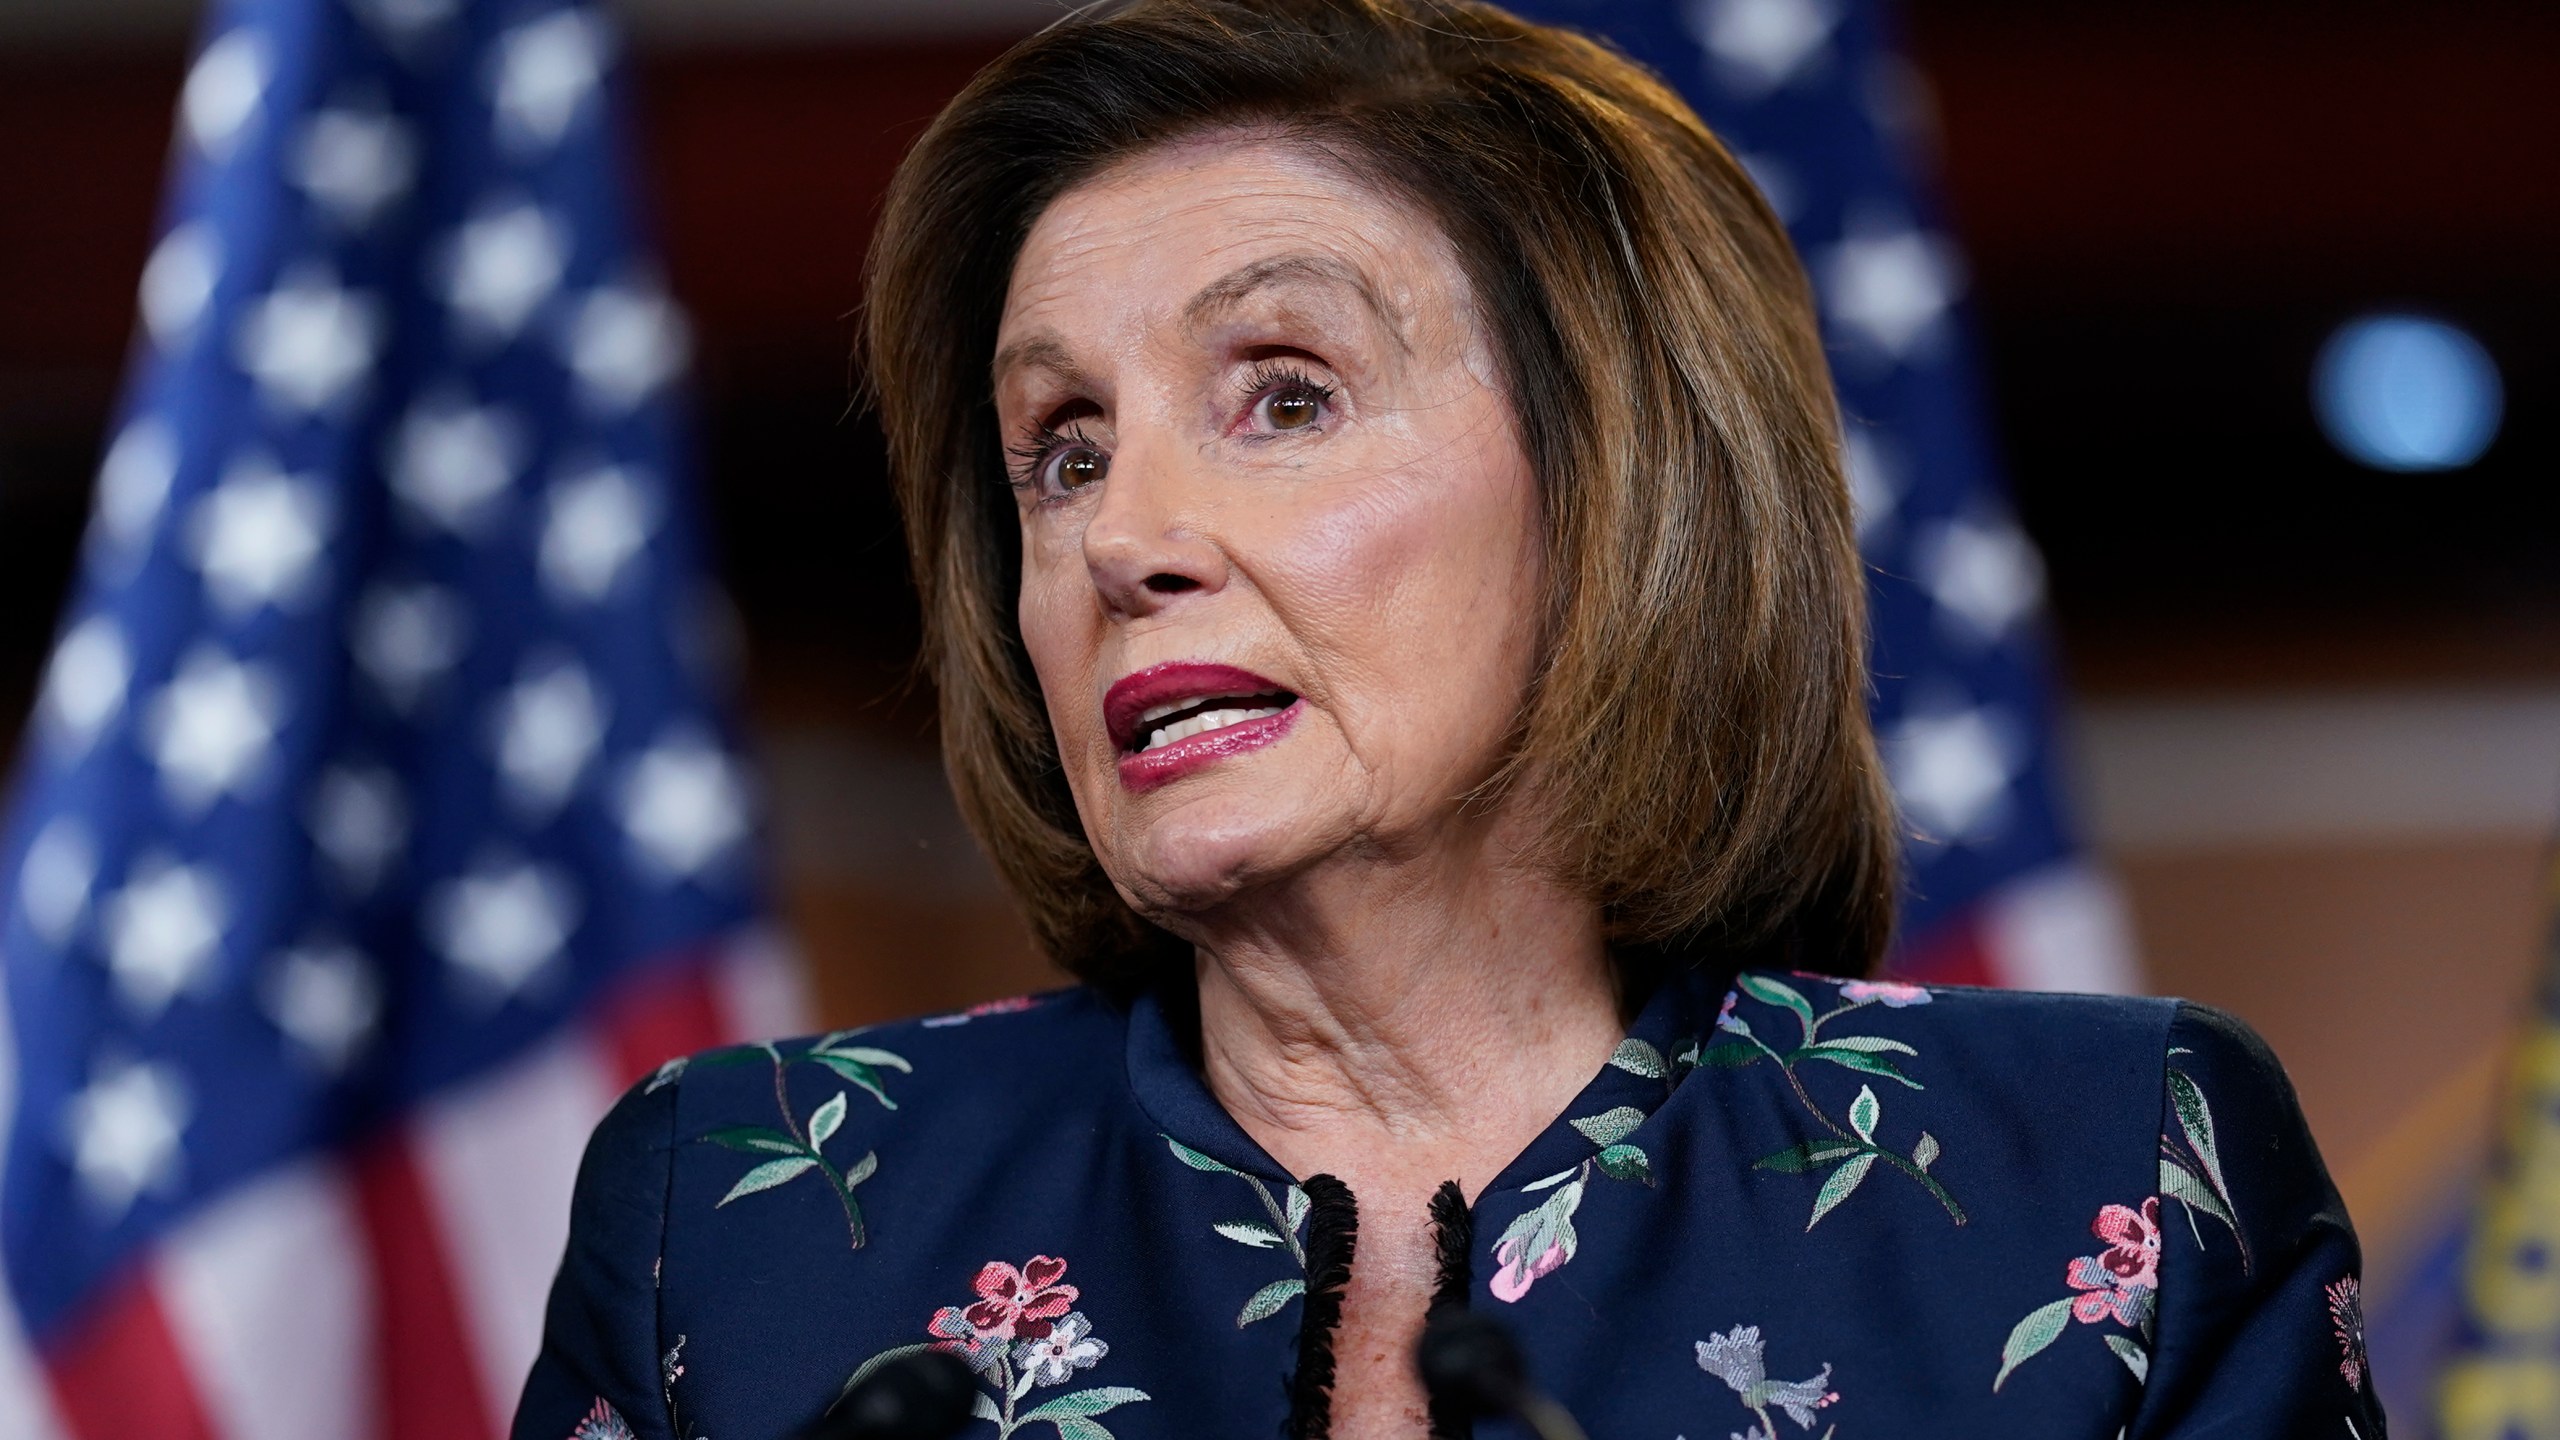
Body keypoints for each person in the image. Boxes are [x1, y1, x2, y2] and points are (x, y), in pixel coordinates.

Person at [515, 2, 2386, 1436]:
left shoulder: (2102, 1169)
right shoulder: (750, 1220)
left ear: (1616, 486)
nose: (1127, 542)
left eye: (1285, 396)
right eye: (1062, 453)